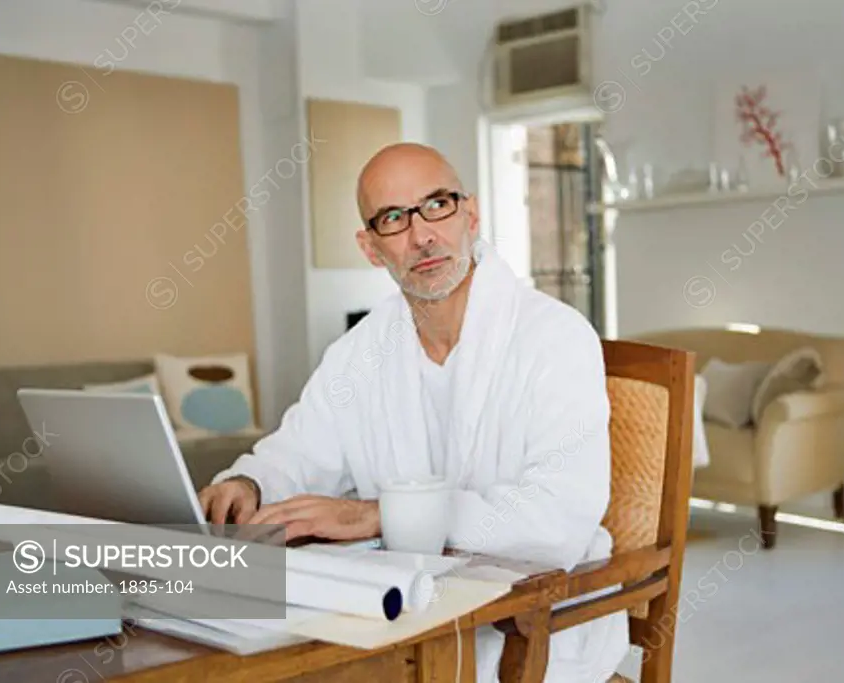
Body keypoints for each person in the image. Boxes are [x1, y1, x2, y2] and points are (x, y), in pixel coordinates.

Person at [198, 142, 629, 682]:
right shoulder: (361, 350)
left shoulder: (555, 338)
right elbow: (299, 452)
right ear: (371, 247)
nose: (422, 234)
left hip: (528, 621)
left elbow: (556, 519)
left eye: (438, 206)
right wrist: (250, 483)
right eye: (394, 218)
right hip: (396, 610)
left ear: (470, 215)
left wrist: (378, 515)